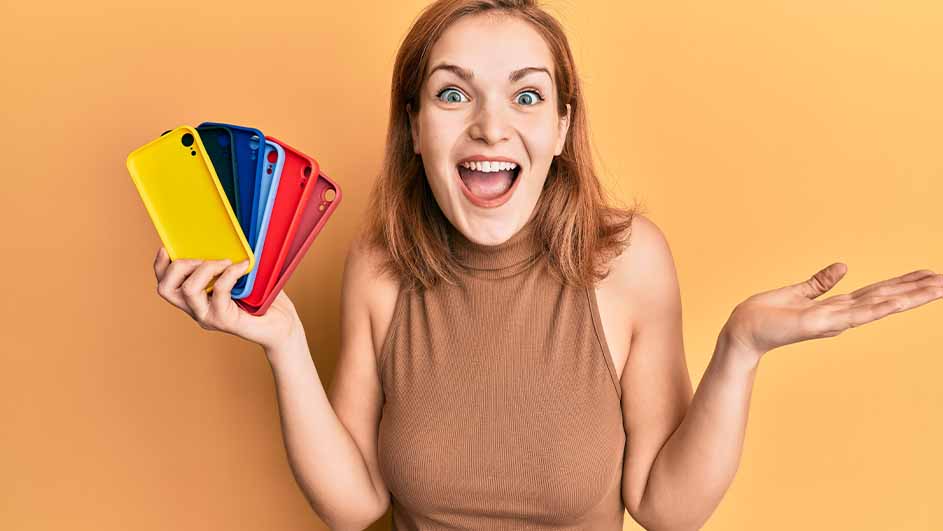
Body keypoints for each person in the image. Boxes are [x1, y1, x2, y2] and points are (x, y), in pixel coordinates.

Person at [151, 1, 943, 529]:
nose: (492, 127)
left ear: (562, 128)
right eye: (452, 95)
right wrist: (284, 343)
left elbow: (663, 508)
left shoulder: (629, 263)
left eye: (527, 97)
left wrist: (740, 345)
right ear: (415, 127)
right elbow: (354, 506)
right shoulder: (378, 266)